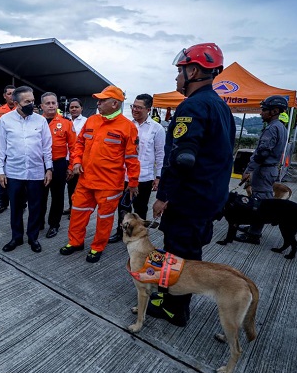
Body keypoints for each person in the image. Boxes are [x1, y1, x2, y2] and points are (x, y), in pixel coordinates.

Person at [149, 43, 235, 327]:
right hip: (208, 198)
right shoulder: (220, 106)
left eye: (180, 72)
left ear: (194, 70)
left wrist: (163, 196)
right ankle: (171, 299)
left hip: (189, 200)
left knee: (178, 254)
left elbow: (182, 158)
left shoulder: (193, 105)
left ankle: (174, 309)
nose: (177, 78)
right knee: (190, 252)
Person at [60, 85, 140, 263]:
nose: (98, 102)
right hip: (85, 180)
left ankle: (97, 247)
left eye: (103, 100)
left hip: (109, 185)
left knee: (104, 219)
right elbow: (79, 144)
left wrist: (133, 182)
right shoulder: (92, 121)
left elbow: (132, 158)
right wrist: (76, 162)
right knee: (77, 213)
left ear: (115, 103)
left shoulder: (127, 127)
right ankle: (75, 242)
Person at [0, 86, 53, 253]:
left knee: (36, 206)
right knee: (16, 206)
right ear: (16, 103)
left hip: (35, 172)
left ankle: (33, 237)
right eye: (27, 101)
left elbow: (46, 147)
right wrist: (0, 171)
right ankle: (16, 237)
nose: (31, 104)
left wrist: (48, 168)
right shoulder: (6, 120)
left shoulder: (40, 121)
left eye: (33, 101)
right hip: (14, 172)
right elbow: (0, 147)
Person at [108, 94, 165, 243]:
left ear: (148, 109)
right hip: (124, 176)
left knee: (140, 209)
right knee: (122, 207)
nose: (135, 110)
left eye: (139, 107)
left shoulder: (156, 129)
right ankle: (121, 232)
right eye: (133, 106)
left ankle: (138, 235)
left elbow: (160, 155)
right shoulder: (126, 125)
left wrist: (158, 177)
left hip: (144, 177)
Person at [235, 95, 289, 244]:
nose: (261, 113)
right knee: (258, 201)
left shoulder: (272, 128)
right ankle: (253, 227)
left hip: (264, 170)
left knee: (260, 203)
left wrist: (248, 170)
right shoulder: (281, 128)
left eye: (264, 110)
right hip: (269, 169)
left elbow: (262, 152)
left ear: (275, 111)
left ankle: (254, 234)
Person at [38, 92, 76, 238]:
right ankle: (39, 221)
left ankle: (54, 224)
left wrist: (71, 166)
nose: (51, 106)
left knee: (57, 196)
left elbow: (74, 147)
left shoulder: (66, 123)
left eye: (53, 103)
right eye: (47, 103)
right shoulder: (35, 121)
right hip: (39, 164)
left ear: (57, 105)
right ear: (41, 106)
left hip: (59, 164)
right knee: (39, 195)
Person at [0, 85, 16, 214]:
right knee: (2, 176)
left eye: (14, 93)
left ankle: (20, 202)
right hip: (2, 149)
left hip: (16, 149)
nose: (12, 96)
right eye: (9, 93)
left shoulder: (21, 109)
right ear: (4, 96)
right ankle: (3, 202)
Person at [63, 98, 87, 215]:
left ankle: (75, 209)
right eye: (71, 107)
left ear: (81, 108)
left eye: (76, 107)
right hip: (65, 158)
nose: (74, 109)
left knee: (77, 186)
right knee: (69, 185)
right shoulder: (65, 121)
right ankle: (71, 206)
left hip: (78, 160)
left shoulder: (86, 122)